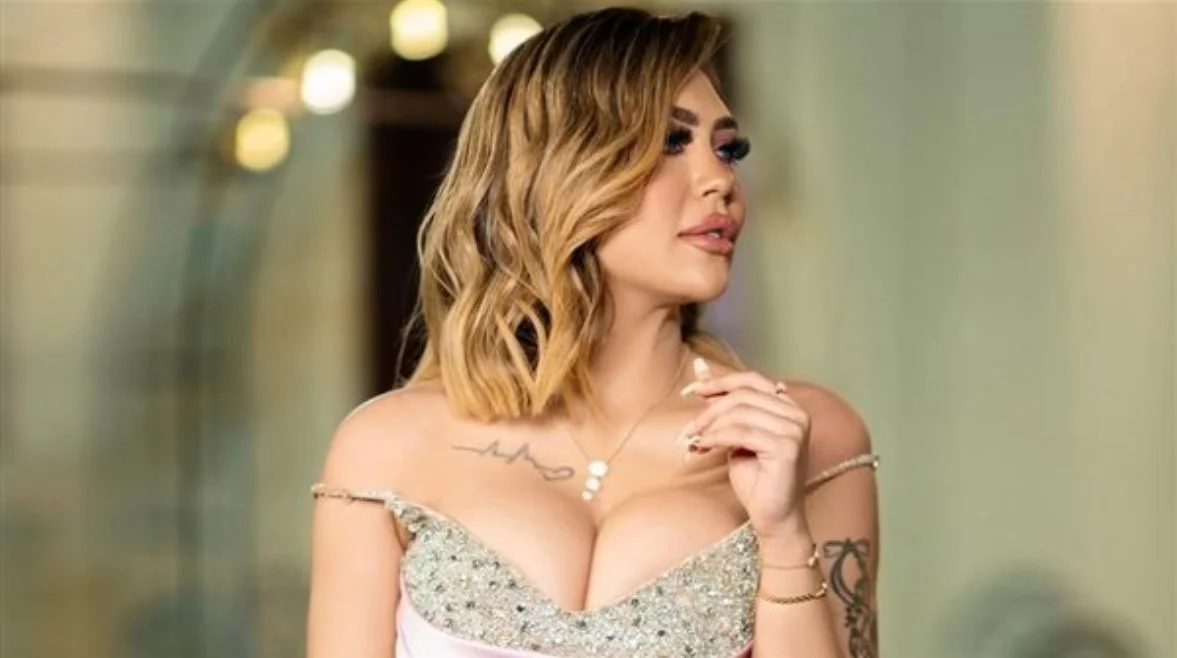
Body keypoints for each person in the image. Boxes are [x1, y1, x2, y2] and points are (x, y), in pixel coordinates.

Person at [306, 7, 880, 658]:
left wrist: (782, 538)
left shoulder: (807, 434)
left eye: (727, 149)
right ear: (554, 171)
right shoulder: (386, 446)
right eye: (670, 142)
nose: (719, 180)